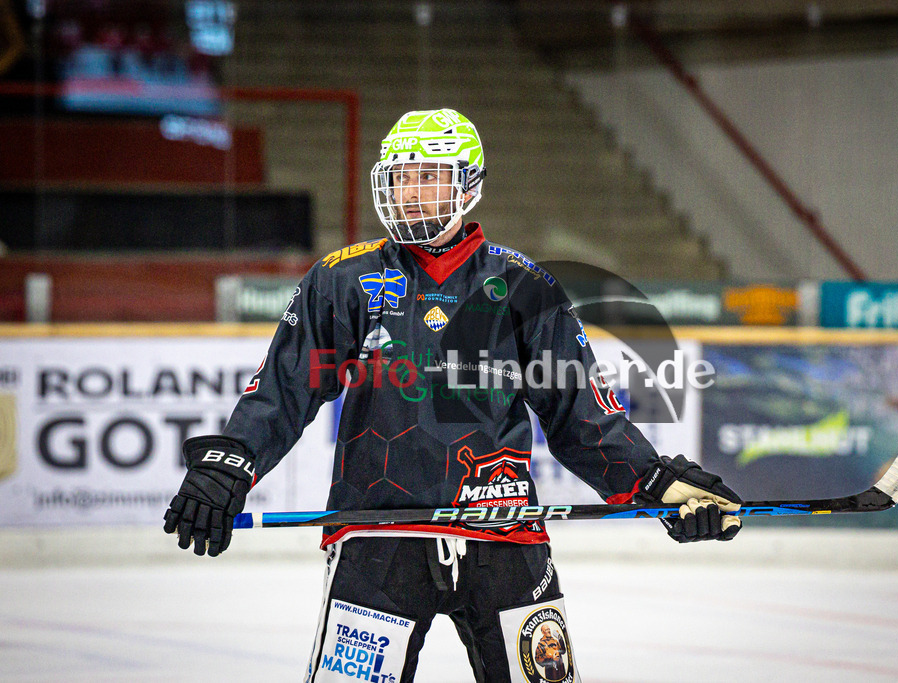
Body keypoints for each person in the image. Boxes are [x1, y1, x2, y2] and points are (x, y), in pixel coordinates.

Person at [163, 108, 742, 682]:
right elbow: (284, 389)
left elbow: (582, 415)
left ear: (469, 184)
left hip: (505, 537)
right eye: (399, 176)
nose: (411, 191)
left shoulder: (525, 287)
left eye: (428, 175)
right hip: (379, 538)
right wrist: (231, 463)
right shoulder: (341, 280)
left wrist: (657, 481)